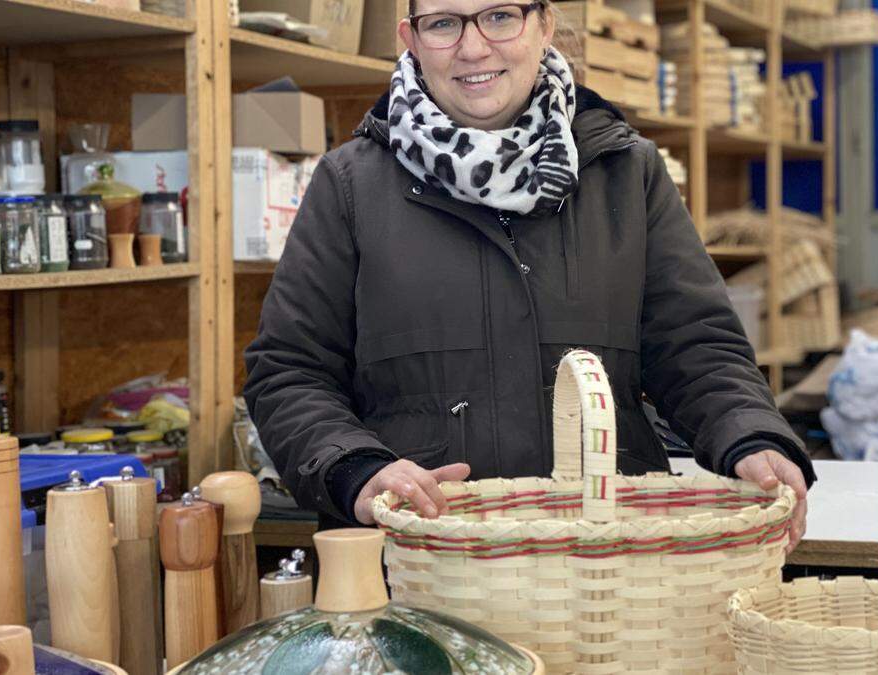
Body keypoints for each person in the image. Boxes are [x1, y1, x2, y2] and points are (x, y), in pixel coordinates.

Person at [244, 0, 816, 552]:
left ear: (543, 26)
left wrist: (751, 437)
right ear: (411, 40)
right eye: (443, 24)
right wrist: (356, 469)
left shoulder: (625, 173)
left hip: (606, 553)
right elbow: (290, 372)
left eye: (500, 16)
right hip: (422, 556)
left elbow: (698, 348)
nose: (472, 48)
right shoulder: (351, 185)